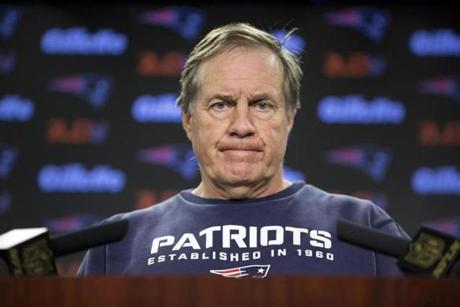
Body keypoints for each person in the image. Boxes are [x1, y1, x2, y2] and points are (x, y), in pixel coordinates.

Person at [77, 23, 409, 277]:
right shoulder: (119, 243)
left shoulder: (364, 226)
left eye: (262, 105)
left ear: (290, 118)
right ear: (189, 121)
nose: (241, 124)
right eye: (220, 105)